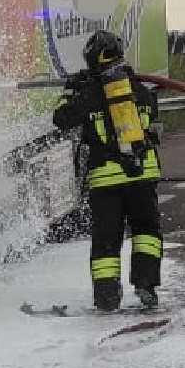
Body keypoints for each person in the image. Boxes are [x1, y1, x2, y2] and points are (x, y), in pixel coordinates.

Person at [51, 30, 164, 312]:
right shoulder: (141, 92)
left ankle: (107, 297)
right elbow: (152, 123)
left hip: (106, 181)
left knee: (106, 242)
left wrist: (70, 90)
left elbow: (61, 119)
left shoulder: (89, 95)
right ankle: (146, 285)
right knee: (146, 232)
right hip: (142, 175)